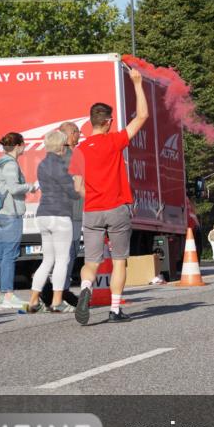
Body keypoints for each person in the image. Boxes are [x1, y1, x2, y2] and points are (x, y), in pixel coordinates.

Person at [70, 68, 150, 325]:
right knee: (119, 261)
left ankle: (85, 288)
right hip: (116, 207)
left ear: (91, 121)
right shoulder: (114, 141)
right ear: (107, 122)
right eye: (112, 121)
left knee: (91, 262)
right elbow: (143, 116)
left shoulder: (79, 150)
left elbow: (77, 186)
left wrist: (92, 195)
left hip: (91, 210)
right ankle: (115, 310)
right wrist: (137, 83)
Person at [26, 130, 81, 313]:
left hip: (43, 214)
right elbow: (72, 192)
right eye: (65, 145)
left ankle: (33, 300)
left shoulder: (42, 164)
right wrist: (78, 184)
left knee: (47, 260)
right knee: (62, 260)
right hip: (59, 216)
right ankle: (57, 302)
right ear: (60, 146)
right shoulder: (59, 166)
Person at [0, 132, 37, 309]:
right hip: (10, 214)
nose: (24, 147)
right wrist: (31, 186)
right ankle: (8, 295)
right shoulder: (10, 164)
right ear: (18, 145)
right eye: (23, 144)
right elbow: (14, 189)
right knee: (10, 255)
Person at [58, 121, 84, 305]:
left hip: (61, 211)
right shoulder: (72, 156)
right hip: (71, 211)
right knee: (69, 252)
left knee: (65, 252)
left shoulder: (55, 155)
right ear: (70, 134)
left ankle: (59, 291)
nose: (80, 134)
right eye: (77, 132)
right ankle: (62, 292)